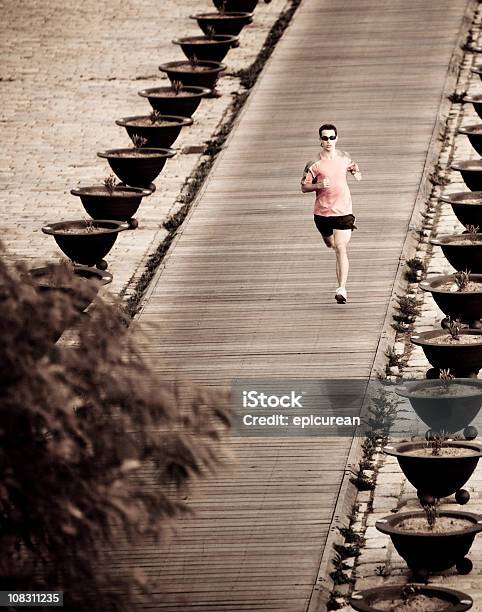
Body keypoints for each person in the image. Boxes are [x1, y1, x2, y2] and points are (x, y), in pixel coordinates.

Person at [301, 123, 362, 304]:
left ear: (337, 138)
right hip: (322, 214)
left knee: (341, 247)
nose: (328, 141)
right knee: (331, 244)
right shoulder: (314, 164)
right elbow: (304, 187)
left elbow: (353, 167)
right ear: (320, 141)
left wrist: (356, 173)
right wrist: (319, 185)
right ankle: (330, 242)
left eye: (332, 137)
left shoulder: (344, 157)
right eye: (325, 138)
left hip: (343, 211)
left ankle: (341, 289)